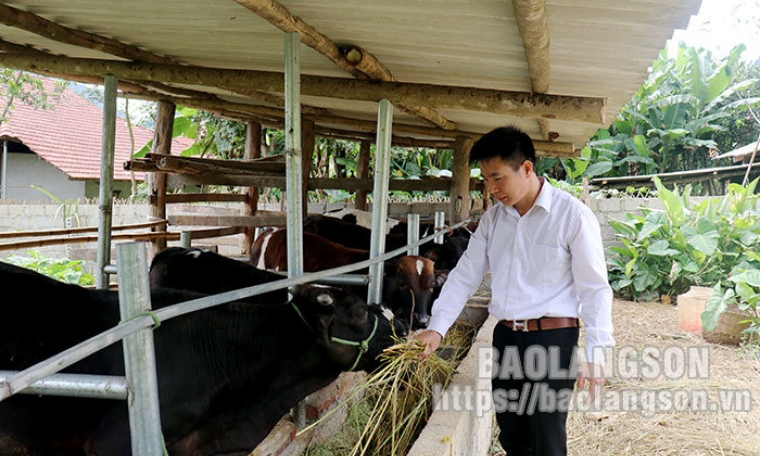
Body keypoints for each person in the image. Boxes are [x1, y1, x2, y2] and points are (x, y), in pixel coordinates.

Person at [416, 126, 614, 456]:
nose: (492, 189)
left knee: (546, 440)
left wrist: (596, 354)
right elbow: (464, 276)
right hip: (506, 337)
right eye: (486, 181)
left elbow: (594, 289)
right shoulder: (494, 221)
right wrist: (436, 328)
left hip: (552, 341)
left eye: (498, 178)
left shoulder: (572, 216)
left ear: (526, 168)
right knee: (512, 436)